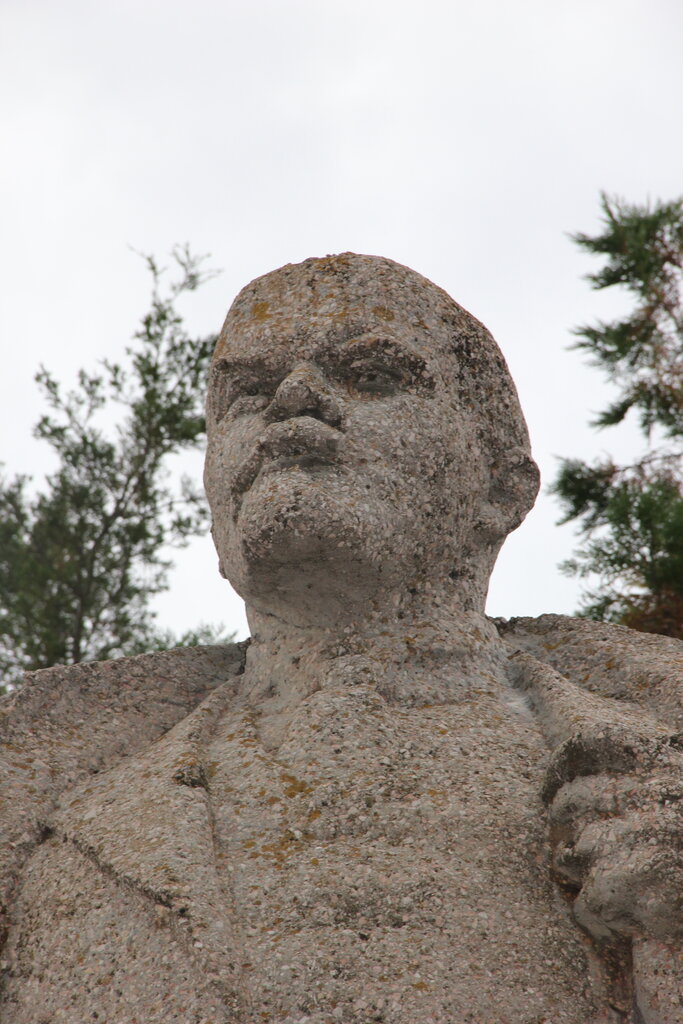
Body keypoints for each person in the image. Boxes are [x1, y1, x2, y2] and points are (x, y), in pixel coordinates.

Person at [1, 254, 682, 1024]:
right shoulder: (61, 819)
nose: (293, 399)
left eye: (370, 374)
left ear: (500, 486)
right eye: (247, 393)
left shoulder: (649, 779)